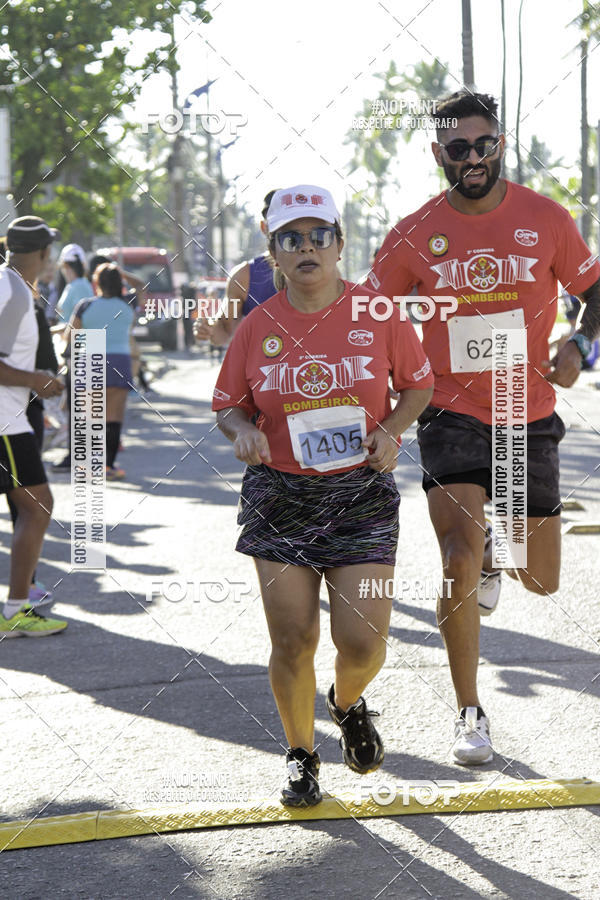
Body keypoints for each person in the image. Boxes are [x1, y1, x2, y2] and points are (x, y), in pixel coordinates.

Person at [368, 91, 600, 765]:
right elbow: (372, 313)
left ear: (501, 144)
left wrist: (580, 349)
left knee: (542, 578)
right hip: (450, 412)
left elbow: (596, 295)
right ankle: (470, 712)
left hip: (526, 413)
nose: (474, 158)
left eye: (485, 144)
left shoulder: (546, 218)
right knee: (457, 560)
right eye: (459, 148)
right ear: (439, 154)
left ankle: (506, 551)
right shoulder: (414, 232)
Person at [212, 185, 434, 806]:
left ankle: (346, 700)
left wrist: (392, 429)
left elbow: (418, 384)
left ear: (339, 244)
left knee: (363, 644)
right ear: (272, 251)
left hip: (361, 494)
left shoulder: (379, 314)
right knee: (293, 640)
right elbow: (228, 404)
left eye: (317, 236)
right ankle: (300, 755)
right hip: (279, 495)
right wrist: (245, 430)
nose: (305, 248)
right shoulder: (257, 326)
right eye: (290, 238)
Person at [0, 216, 68, 637]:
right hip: (5, 422)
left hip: (12, 418)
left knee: (33, 507)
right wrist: (37, 381)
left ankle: (17, 605)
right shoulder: (15, 294)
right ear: (44, 255)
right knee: (38, 506)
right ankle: (15, 610)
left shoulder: (12, 286)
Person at [70, 263, 134, 479]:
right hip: (121, 360)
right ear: (119, 282)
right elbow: (143, 287)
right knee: (114, 418)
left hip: (92, 356)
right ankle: (108, 467)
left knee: (90, 417)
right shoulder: (127, 303)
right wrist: (119, 272)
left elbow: (72, 335)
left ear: (96, 283)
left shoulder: (84, 305)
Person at [195, 190, 279, 347]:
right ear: (264, 227)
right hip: (263, 368)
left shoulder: (318, 268)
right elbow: (224, 333)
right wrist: (208, 328)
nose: (281, 227)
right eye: (275, 221)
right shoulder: (244, 276)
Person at [52, 243, 94, 471]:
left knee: (76, 405)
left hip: (77, 349)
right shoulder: (81, 285)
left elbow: (75, 322)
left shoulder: (77, 286)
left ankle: (76, 455)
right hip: (82, 348)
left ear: (66, 265)